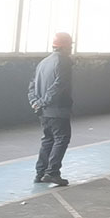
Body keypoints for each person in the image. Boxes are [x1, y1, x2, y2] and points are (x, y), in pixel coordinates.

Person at [29, 32, 74, 186]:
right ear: (65, 46)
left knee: (48, 139)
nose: (71, 49)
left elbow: (32, 85)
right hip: (57, 109)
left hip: (43, 112)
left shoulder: (43, 63)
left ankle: (40, 172)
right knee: (62, 138)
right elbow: (59, 85)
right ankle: (52, 172)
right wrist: (44, 102)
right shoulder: (64, 61)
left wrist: (35, 102)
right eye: (70, 46)